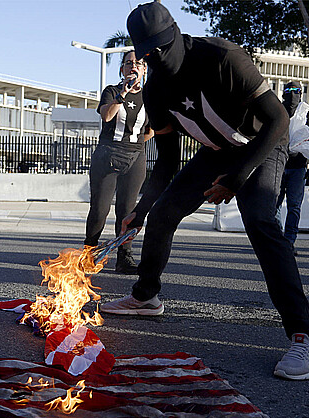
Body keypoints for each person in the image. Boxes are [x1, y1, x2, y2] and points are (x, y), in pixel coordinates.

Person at [101, 2, 309, 380]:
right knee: (165, 212)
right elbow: (166, 163)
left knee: (260, 220)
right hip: (216, 152)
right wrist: (143, 209)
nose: (158, 58)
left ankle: (302, 332)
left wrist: (238, 177)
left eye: (163, 48)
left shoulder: (223, 57)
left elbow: (278, 118)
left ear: (176, 35)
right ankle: (146, 297)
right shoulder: (156, 91)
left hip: (261, 144)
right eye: (149, 53)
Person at [84, 49, 153, 274]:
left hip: (135, 157)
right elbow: (106, 115)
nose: (133, 66)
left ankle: (124, 257)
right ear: (122, 69)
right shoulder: (112, 91)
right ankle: (89, 254)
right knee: (100, 210)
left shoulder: (150, 97)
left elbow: (152, 130)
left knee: (127, 212)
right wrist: (122, 94)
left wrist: (134, 144)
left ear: (144, 69)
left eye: (138, 63)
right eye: (128, 63)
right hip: (107, 157)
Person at [276, 81, 308, 256]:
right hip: (279, 165)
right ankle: (278, 239)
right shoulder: (278, 111)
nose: (293, 94)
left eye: (297, 91)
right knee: (275, 204)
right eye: (289, 91)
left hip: (298, 167)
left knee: (294, 206)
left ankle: (289, 241)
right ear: (284, 93)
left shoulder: (306, 113)